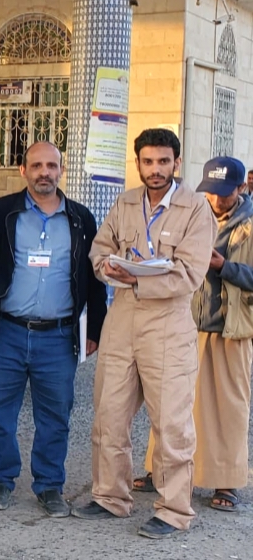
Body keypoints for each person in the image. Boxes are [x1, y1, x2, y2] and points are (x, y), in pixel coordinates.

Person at [73, 128, 216, 539]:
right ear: (137, 163)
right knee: (109, 414)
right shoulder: (126, 202)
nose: (155, 169)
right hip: (123, 319)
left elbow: (190, 273)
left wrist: (137, 279)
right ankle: (110, 496)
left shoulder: (195, 209)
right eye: (148, 161)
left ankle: (174, 510)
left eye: (163, 162)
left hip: (168, 324)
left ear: (176, 163)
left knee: (171, 423)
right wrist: (107, 267)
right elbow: (100, 249)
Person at [0, 142, 107, 516]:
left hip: (59, 335)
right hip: (8, 331)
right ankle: (0, 481)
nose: (44, 172)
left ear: (61, 170)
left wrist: (94, 329)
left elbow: (94, 279)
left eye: (51, 165)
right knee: (0, 412)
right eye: (36, 165)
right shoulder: (1, 212)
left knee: (55, 417)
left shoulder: (81, 218)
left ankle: (50, 485)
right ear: (23, 170)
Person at [138, 156, 253, 513]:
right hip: (185, 324)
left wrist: (225, 267)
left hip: (231, 329)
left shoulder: (249, 225)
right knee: (172, 402)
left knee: (228, 409)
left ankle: (226, 481)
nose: (216, 200)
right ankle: (160, 469)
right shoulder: (191, 215)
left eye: (225, 193)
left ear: (241, 188)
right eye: (211, 192)